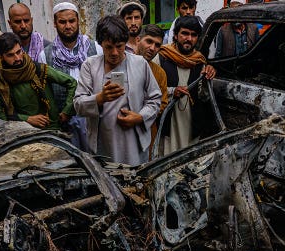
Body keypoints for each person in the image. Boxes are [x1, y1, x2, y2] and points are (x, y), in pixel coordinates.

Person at [74, 15, 161, 165]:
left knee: (135, 184)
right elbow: (78, 104)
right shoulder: (90, 65)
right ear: (100, 44)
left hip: (133, 145)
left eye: (119, 46)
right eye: (108, 47)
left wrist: (139, 117)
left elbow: (155, 99)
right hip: (102, 145)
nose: (114, 52)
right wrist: (100, 98)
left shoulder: (140, 64)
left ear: (126, 43)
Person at [43, 1, 102, 151]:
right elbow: (46, 92)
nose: (68, 26)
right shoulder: (45, 55)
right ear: (55, 24)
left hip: (93, 119)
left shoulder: (95, 48)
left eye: (71, 21)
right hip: (65, 123)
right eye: (62, 22)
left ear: (78, 21)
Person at [156, 15, 216, 154]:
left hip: (191, 123)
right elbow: (151, 91)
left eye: (193, 35)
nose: (189, 38)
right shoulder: (161, 57)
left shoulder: (200, 61)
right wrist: (172, 92)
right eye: (184, 33)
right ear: (176, 35)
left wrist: (208, 78)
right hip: (168, 124)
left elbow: (204, 96)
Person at [0, 32, 77, 130]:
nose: (17, 58)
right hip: (23, 132)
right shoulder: (2, 80)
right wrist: (27, 119)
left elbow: (72, 83)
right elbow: (1, 114)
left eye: (18, 52)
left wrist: (67, 111)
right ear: (1, 57)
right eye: (10, 55)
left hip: (52, 129)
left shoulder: (38, 70)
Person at [136, 24, 168, 157]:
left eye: (157, 45)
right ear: (138, 40)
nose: (152, 48)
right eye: (149, 41)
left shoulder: (159, 73)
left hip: (147, 129)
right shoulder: (121, 63)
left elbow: (162, 103)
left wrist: (141, 115)